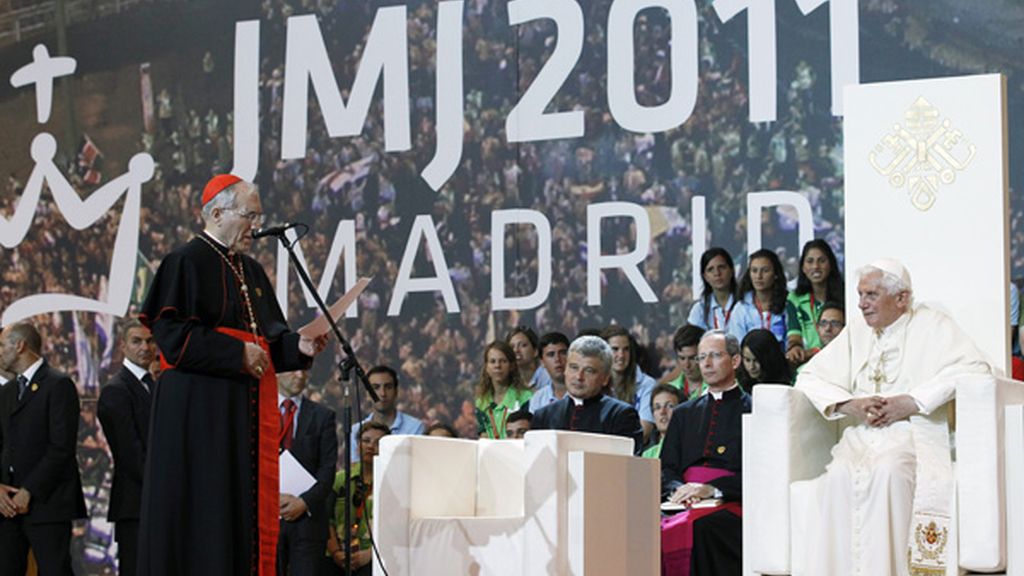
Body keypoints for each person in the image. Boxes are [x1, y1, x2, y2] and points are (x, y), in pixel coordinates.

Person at [138, 174, 329, 575]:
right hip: (197, 413)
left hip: (240, 410)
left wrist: (300, 347)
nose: (256, 227)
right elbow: (172, 336)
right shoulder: (185, 261)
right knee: (204, 514)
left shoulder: (253, 272)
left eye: (259, 216)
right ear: (218, 212)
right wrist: (234, 353)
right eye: (250, 215)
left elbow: (267, 344)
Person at [795, 259, 990, 575]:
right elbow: (808, 378)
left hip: (912, 432)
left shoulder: (932, 324)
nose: (861, 304)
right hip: (861, 436)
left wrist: (912, 401)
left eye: (870, 295)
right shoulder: (857, 332)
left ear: (901, 298)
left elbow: (973, 368)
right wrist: (850, 404)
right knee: (839, 475)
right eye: (860, 295)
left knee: (889, 472)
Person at [659, 329, 751, 576]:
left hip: (731, 501)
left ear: (735, 360)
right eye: (701, 358)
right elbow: (666, 468)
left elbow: (759, 473)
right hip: (682, 500)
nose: (706, 364)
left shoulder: (754, 410)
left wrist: (712, 489)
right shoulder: (683, 414)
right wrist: (677, 489)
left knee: (703, 527)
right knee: (644, 524)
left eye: (714, 356)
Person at [0, 322, 87, 576]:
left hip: (47, 504)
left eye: (2, 346)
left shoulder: (58, 385)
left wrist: (29, 490)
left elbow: (61, 448)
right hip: (7, 508)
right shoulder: (6, 392)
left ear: (20, 345)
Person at [97, 319, 157, 576]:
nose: (145, 347)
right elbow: (132, 456)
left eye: (149, 340)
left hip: (156, 504)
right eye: (137, 341)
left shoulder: (155, 385)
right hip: (136, 506)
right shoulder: (116, 390)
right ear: (123, 346)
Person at [531, 336, 644, 453]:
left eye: (589, 370)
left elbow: (628, 466)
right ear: (565, 370)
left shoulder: (621, 415)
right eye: (574, 367)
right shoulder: (543, 416)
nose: (579, 377)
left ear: (605, 378)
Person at [276, 371, 338, 576]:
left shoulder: (323, 416)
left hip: (308, 523)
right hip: (265, 518)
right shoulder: (256, 410)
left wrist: (303, 502)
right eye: (293, 369)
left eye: (305, 369)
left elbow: (327, 472)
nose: (300, 375)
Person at [327, 422, 389, 576]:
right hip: (337, 557)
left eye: (378, 443)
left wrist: (370, 554)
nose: (371, 446)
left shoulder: (392, 483)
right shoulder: (340, 479)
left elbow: (396, 527)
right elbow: (326, 520)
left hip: (375, 559)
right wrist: (335, 553)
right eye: (366, 441)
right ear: (357, 445)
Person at [785, 239, 844, 367]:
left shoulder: (845, 295)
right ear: (803, 268)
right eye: (810, 261)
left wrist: (815, 352)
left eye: (821, 261)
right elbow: (794, 335)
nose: (816, 266)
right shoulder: (795, 298)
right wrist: (795, 348)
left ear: (831, 265)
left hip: (839, 362)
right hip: (808, 367)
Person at [347, 365, 424, 461]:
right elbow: (355, 469)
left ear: (396, 392)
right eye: (375, 387)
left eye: (388, 387)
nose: (382, 393)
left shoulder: (415, 427)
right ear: (367, 394)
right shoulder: (355, 430)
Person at [601, 325, 657, 441]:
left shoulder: (647, 384)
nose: (621, 355)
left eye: (626, 349)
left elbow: (644, 432)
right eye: (615, 349)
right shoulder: (594, 381)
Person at [474, 341, 533, 439]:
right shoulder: (481, 401)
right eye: (492, 361)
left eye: (503, 361)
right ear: (486, 368)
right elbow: (483, 437)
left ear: (512, 366)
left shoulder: (525, 397)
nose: (497, 366)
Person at [733, 249, 789, 344]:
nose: (759, 276)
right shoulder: (741, 308)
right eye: (754, 271)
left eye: (765, 271)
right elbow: (737, 343)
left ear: (776, 274)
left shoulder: (788, 304)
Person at [687, 247, 743, 339]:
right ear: (705, 276)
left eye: (722, 267)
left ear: (732, 270)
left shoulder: (746, 303)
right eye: (710, 269)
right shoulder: (700, 309)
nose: (717, 273)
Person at [659, 325, 706, 400]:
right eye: (682, 358)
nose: (687, 365)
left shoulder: (715, 388)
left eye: (692, 358)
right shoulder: (668, 390)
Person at [527, 332, 570, 412]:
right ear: (542, 362)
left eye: (563, 353)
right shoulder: (538, 399)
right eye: (551, 354)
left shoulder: (583, 393)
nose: (557, 359)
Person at [641, 384, 683, 459]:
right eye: (657, 407)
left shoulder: (691, 450)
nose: (662, 412)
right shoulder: (647, 455)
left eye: (670, 406)